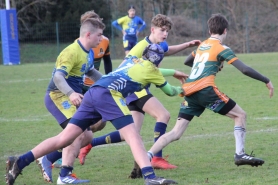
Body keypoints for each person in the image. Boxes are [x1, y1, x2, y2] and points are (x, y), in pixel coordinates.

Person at [5, 43, 185, 185]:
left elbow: (154, 71)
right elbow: (169, 91)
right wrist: (182, 89)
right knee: (133, 136)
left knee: (64, 138)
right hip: (109, 95)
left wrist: (173, 72)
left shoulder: (135, 61)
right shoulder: (153, 71)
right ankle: (150, 176)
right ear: (158, 60)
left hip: (93, 92)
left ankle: (20, 161)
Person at [145, 13, 274, 168]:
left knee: (176, 133)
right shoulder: (222, 48)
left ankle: (146, 156)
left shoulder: (202, 45)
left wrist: (209, 65)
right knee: (240, 115)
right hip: (205, 90)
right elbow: (244, 69)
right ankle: (240, 154)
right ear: (225, 31)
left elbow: (187, 61)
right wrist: (266, 80)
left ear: (209, 31)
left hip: (188, 91)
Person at [79, 14, 201, 174]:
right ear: (152, 29)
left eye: (167, 31)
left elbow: (167, 50)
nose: (165, 34)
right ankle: (156, 158)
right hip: (134, 89)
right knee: (163, 115)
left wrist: (187, 45)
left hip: (138, 89)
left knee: (130, 134)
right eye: (162, 30)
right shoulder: (141, 46)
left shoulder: (160, 45)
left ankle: (91, 144)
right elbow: (124, 66)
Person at [32, 18, 105, 184]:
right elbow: (58, 77)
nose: (101, 39)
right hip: (57, 96)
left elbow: (92, 72)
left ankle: (47, 157)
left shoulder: (89, 52)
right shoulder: (71, 52)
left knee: (87, 135)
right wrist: (71, 93)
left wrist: (110, 82)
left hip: (72, 96)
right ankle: (64, 176)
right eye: (99, 35)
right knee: (79, 134)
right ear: (88, 34)